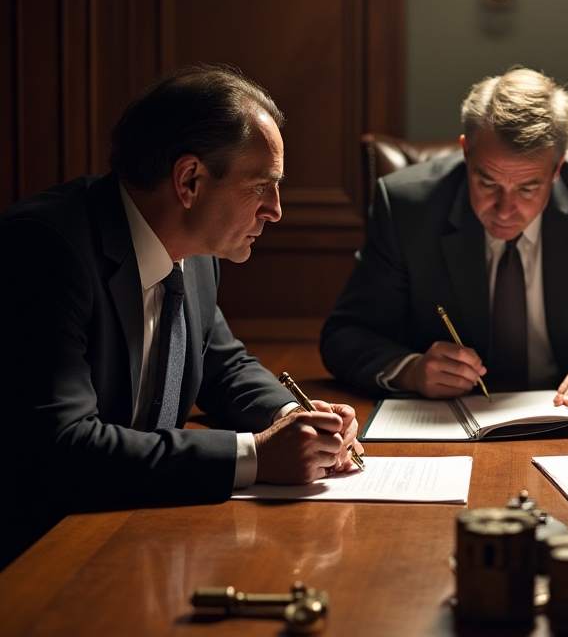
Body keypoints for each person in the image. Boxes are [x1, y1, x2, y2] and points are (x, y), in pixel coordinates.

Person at [0, 66, 362, 569]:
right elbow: (64, 448)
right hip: (43, 550)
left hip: (135, 531)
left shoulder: (195, 250)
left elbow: (222, 364)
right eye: (261, 185)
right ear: (189, 180)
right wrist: (255, 456)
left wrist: (294, 419)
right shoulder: (45, 250)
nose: (276, 210)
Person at [321, 68, 568, 421]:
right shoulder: (407, 207)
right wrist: (411, 370)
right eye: (487, 183)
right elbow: (346, 334)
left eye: (527, 187)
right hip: (443, 426)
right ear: (466, 151)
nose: (505, 210)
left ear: (558, 167)